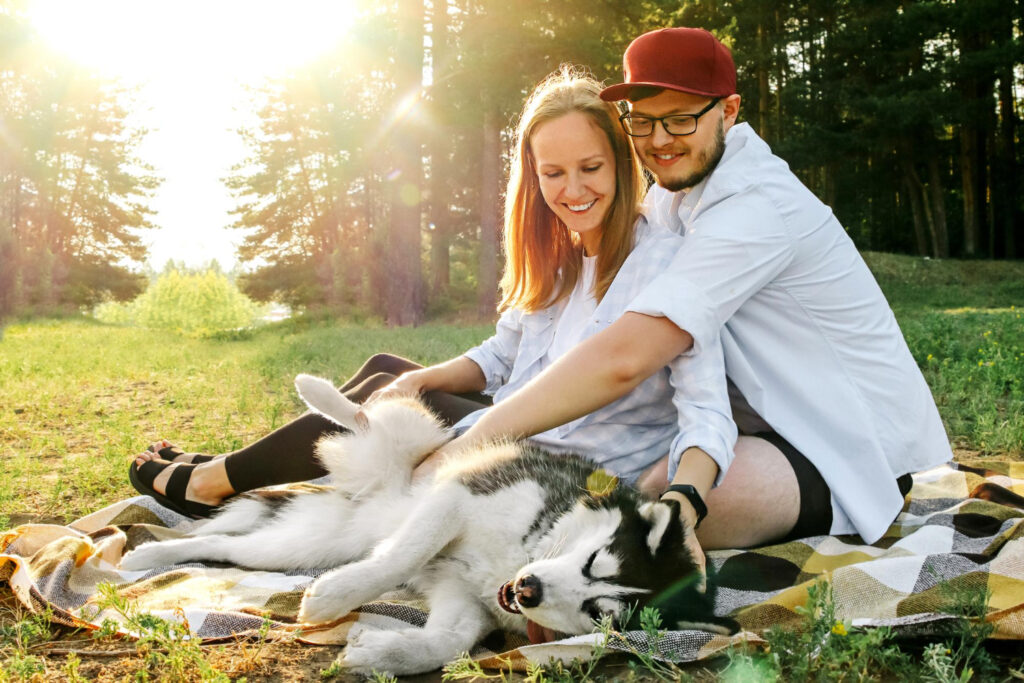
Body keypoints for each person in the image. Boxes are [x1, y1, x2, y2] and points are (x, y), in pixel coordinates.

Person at [130, 67, 736, 521]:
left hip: (561, 468)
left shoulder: (664, 260)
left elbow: (705, 407)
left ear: (621, 165)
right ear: (533, 177)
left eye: (591, 168)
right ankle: (239, 469)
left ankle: (211, 483)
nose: (573, 189)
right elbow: (501, 356)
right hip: (514, 432)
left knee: (392, 401)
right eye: (553, 173)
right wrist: (424, 378)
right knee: (390, 371)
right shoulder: (563, 254)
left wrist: (683, 496)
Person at [441, 28, 953, 565]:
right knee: (584, 470)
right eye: (644, 121)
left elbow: (626, 357)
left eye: (681, 118)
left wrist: (467, 446)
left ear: (728, 111)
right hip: (750, 428)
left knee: (636, 499)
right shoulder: (675, 195)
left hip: (838, 450)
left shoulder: (754, 211)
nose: (661, 140)